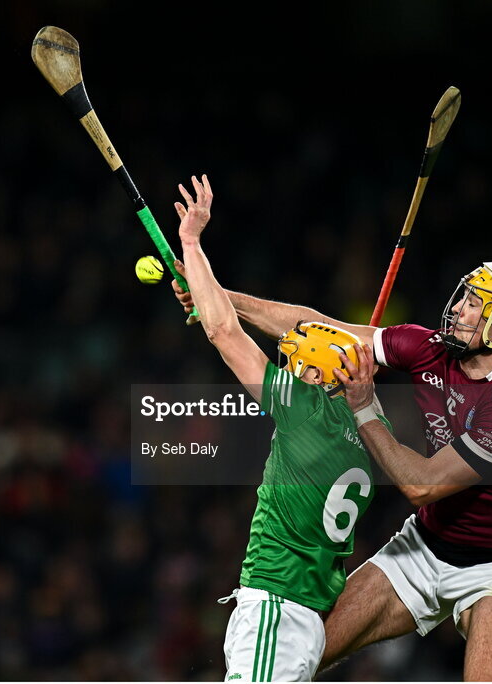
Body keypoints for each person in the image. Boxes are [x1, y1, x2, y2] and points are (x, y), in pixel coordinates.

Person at [174, 260, 492, 681]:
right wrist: (219, 297)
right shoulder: (428, 346)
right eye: (463, 297)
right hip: (425, 545)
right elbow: (318, 328)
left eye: (475, 306)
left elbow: (422, 485)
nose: (459, 310)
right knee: (299, 652)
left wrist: (364, 407)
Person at [171, 175, 391, 681]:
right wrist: (211, 290)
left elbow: (223, 332)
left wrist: (192, 242)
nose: (285, 369)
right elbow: (310, 323)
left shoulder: (303, 407)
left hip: (275, 609)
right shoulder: (371, 422)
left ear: (316, 377)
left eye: (294, 365)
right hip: (307, 620)